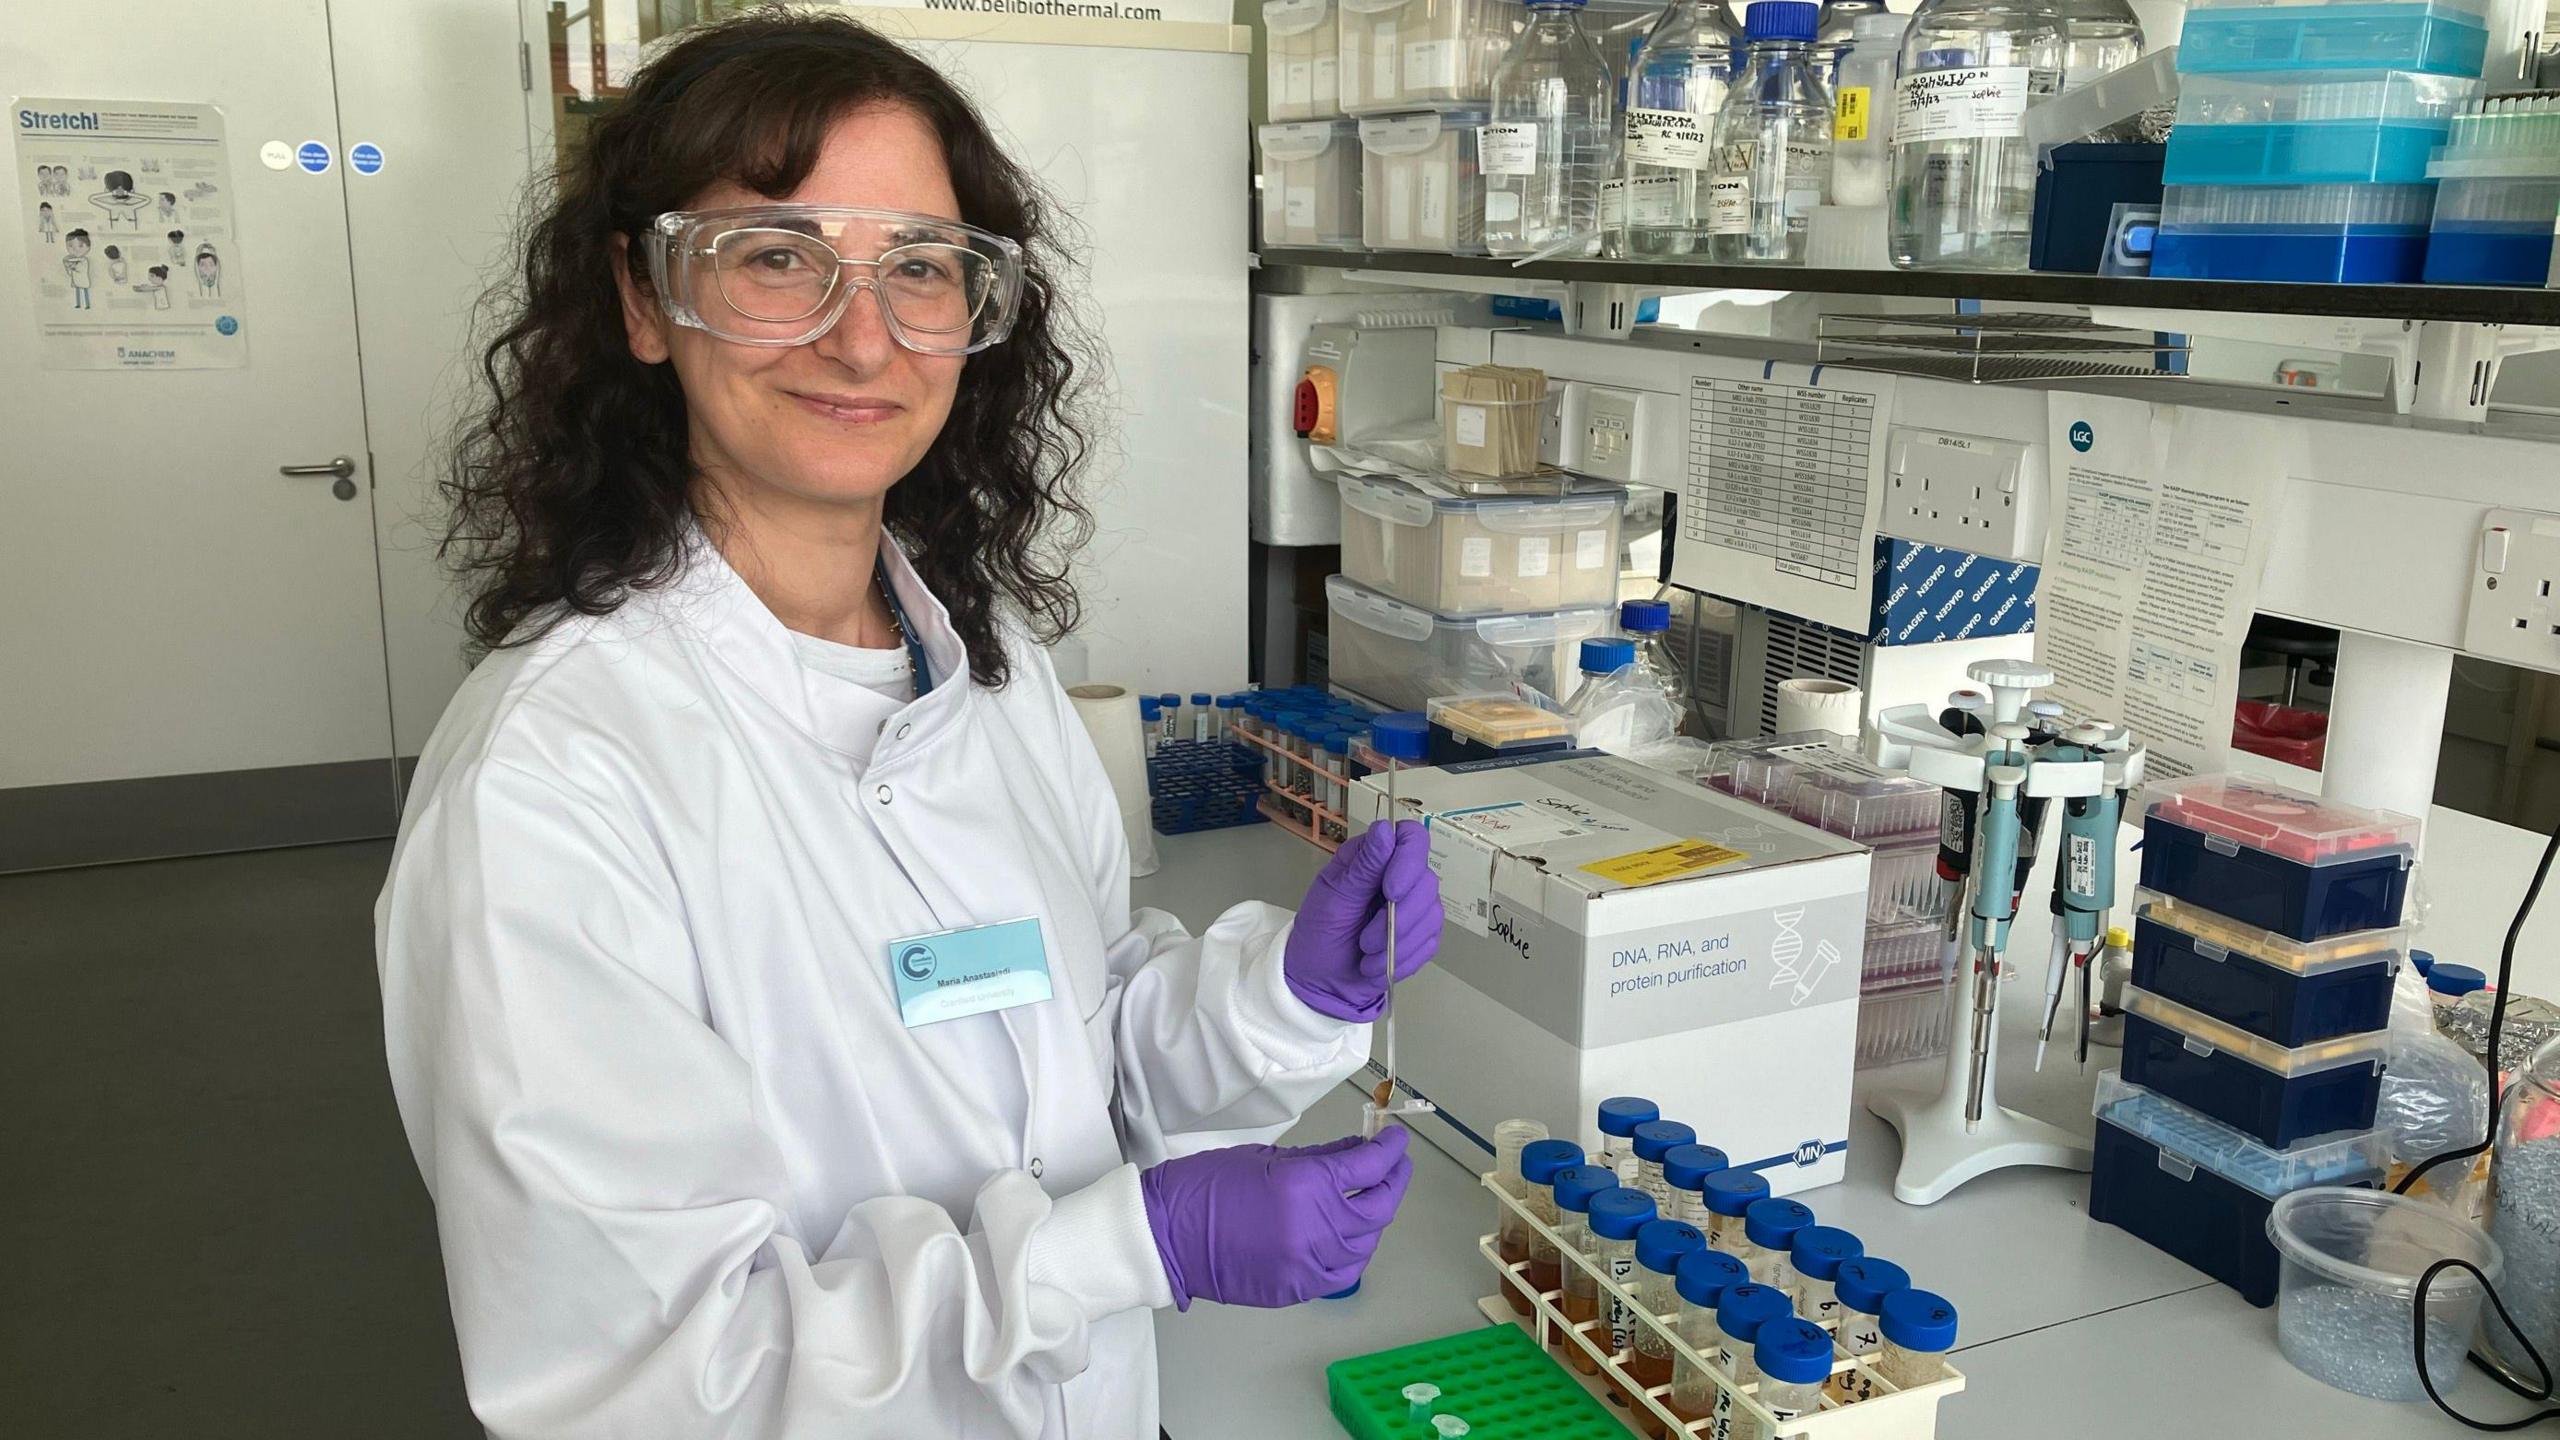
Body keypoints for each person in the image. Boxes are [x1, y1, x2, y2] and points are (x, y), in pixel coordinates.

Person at [375, 12, 1444, 1440]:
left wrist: (1284, 1001)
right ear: (643, 300)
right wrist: (1138, 1249)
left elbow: (1082, 1057)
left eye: (922, 269)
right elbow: (640, 1386)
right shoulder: (553, 781)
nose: (863, 334)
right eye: (778, 257)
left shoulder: (987, 671)